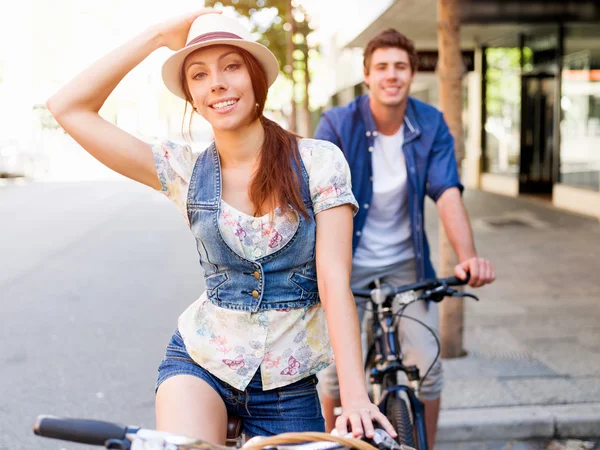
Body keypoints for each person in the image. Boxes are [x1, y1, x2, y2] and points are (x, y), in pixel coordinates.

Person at [46, 10, 398, 444]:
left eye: (231, 66)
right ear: (192, 96)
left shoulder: (318, 161)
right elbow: (67, 108)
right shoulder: (183, 170)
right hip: (199, 364)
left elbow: (334, 281)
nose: (216, 82)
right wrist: (158, 35)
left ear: (256, 80)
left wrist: (356, 397)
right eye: (198, 74)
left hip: (286, 387)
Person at [314, 28, 496, 446]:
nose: (390, 75)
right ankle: (329, 442)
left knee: (428, 369)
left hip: (405, 264)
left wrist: (468, 257)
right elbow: (315, 193)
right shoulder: (339, 123)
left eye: (400, 67)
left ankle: (425, 444)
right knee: (334, 374)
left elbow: (447, 192)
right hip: (345, 264)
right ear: (366, 75)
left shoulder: (429, 123)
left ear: (413, 74)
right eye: (381, 67)